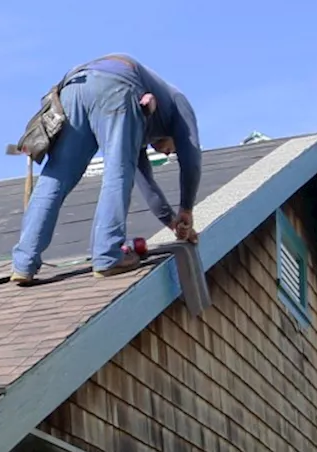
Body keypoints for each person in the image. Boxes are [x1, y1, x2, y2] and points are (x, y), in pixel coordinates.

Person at [10, 55, 201, 285]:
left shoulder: (140, 124)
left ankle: (23, 264)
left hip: (75, 88)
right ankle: (108, 255)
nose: (168, 153)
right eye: (172, 150)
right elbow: (192, 158)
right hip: (116, 86)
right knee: (117, 173)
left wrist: (173, 223)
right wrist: (187, 209)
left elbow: (146, 183)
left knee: (56, 177)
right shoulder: (179, 102)